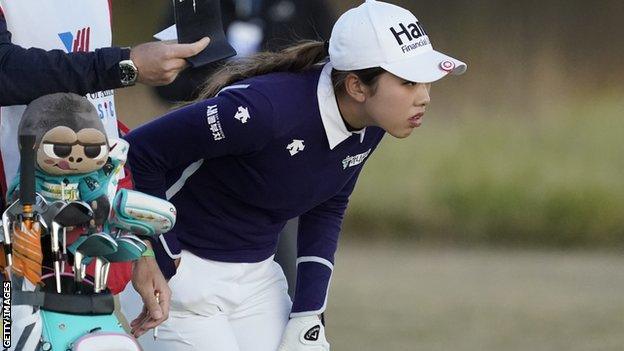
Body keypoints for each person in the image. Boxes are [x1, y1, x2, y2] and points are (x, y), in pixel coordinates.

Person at [123, 1, 466, 350]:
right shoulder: (263, 111)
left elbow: (328, 205)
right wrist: (152, 252)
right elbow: (137, 151)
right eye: (409, 82)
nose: (424, 98)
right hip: (180, 276)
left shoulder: (372, 122)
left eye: (425, 82)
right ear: (357, 87)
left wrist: (309, 312)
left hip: (258, 277)